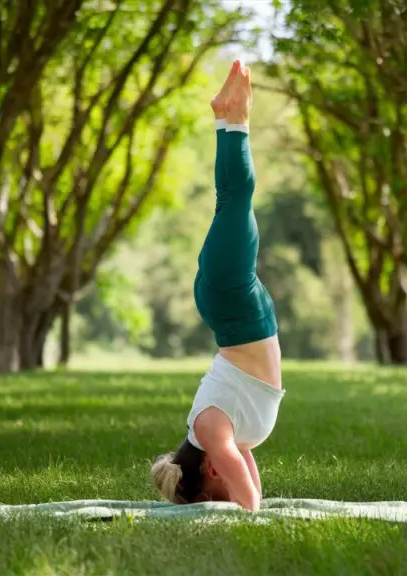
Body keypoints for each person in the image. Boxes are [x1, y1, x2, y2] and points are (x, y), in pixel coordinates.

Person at [149, 60, 283, 512]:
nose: (221, 499)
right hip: (236, 306)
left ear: (208, 471)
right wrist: (256, 502)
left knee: (235, 200)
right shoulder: (228, 436)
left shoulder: (209, 432)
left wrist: (250, 516)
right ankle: (227, 118)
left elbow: (236, 475)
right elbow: (245, 471)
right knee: (233, 203)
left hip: (232, 300)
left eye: (212, 498)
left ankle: (231, 119)